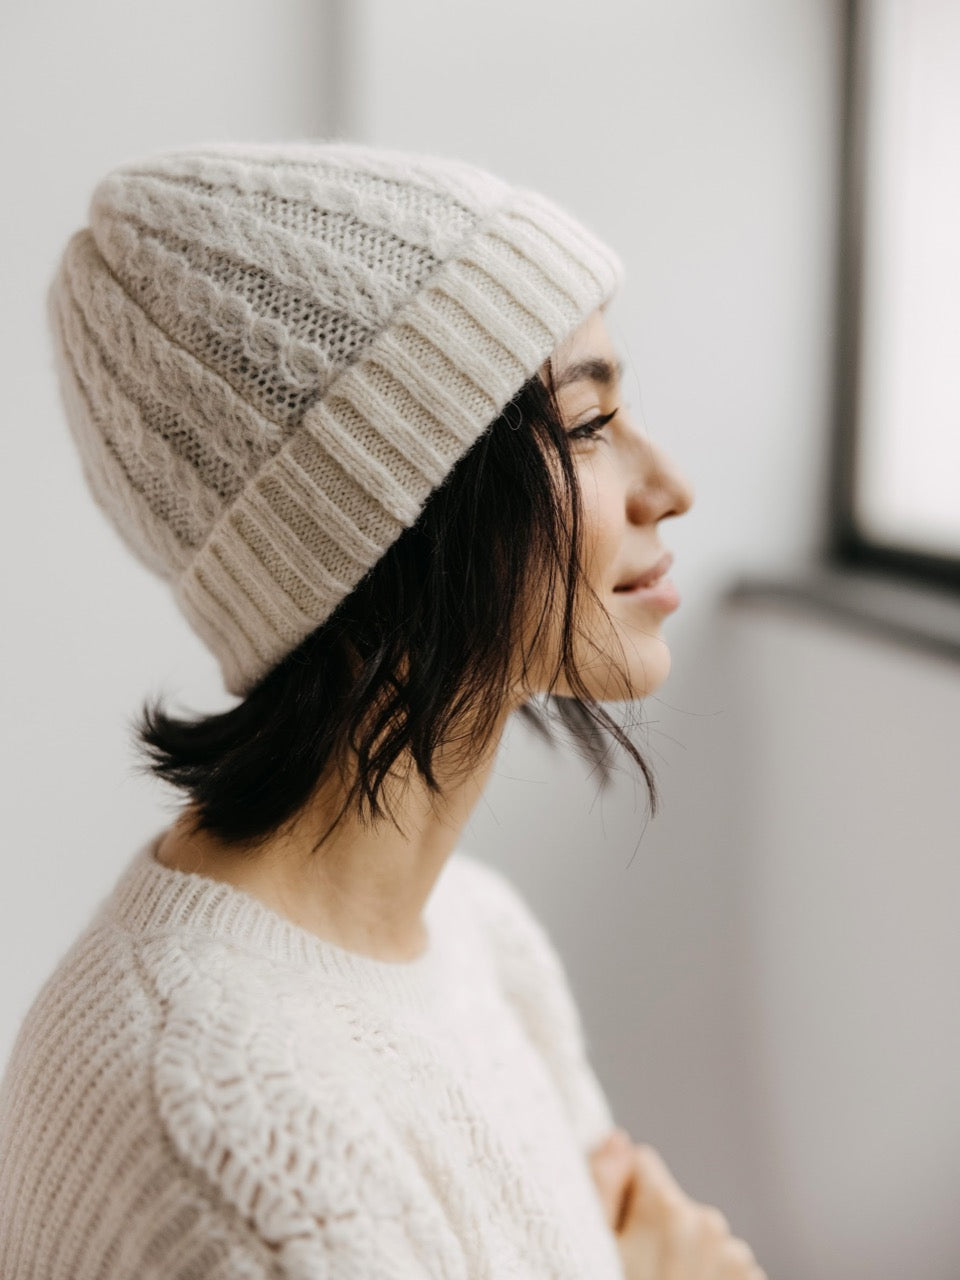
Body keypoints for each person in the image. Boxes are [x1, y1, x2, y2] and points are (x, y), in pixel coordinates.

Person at [0, 140, 765, 1279]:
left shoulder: (478, 936)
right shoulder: (235, 1153)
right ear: (397, 510)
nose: (671, 484)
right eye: (590, 426)